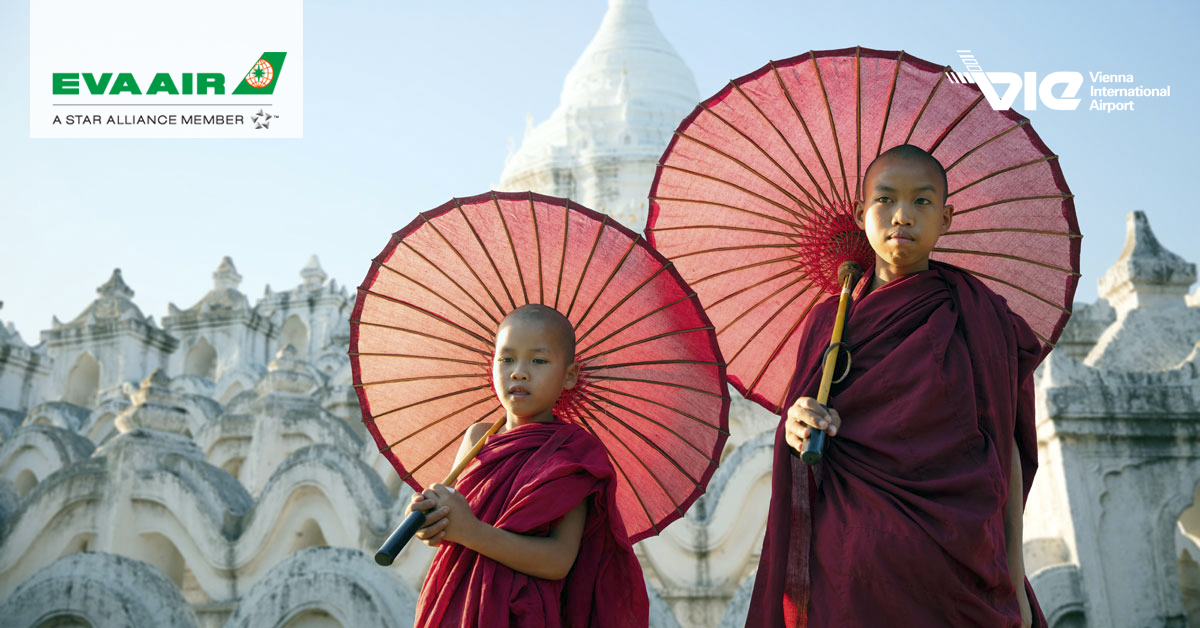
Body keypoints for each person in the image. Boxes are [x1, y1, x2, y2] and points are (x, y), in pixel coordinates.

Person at [747, 145, 1049, 627]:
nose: (902, 216)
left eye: (923, 202)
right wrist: (798, 424)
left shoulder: (982, 314)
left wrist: (1013, 566)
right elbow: (801, 435)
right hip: (853, 559)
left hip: (960, 558)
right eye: (885, 201)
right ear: (861, 214)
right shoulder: (830, 321)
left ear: (946, 218)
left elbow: (1005, 447)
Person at [407, 303, 649, 627]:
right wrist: (428, 521)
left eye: (538, 360)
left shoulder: (572, 455)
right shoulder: (477, 439)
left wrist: (472, 531)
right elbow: (449, 532)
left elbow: (558, 560)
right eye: (506, 359)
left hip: (522, 612)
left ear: (570, 375)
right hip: (457, 601)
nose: (518, 371)